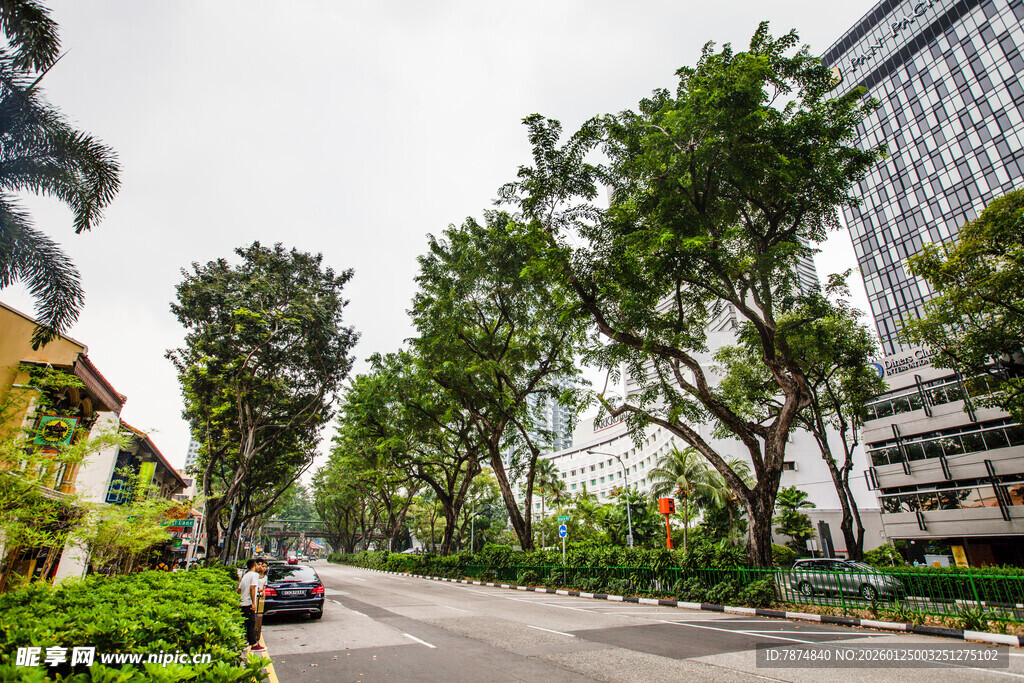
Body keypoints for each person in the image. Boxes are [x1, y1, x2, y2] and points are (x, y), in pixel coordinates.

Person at [238, 559, 266, 653]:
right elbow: (252, 588)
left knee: (245, 623)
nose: (260, 567)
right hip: (248, 603)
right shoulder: (254, 575)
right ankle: (254, 644)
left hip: (242, 602)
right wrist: (253, 603)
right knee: (251, 623)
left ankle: (245, 642)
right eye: (258, 565)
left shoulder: (246, 575)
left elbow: (239, 589)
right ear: (254, 565)